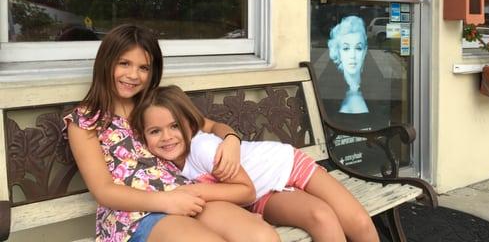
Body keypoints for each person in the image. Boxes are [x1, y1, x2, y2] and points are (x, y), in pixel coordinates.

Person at [64, 24, 278, 242]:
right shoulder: (85, 120)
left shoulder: (153, 105)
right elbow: (104, 191)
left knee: (262, 236)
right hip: (134, 214)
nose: (133, 75)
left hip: (186, 195)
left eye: (144, 68)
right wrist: (166, 201)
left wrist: (232, 140)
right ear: (106, 63)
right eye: (124, 63)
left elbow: (212, 126)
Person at [130, 85, 380, 242]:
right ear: (143, 136)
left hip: (287, 164)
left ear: (190, 124)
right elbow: (247, 195)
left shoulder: (202, 149)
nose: (167, 137)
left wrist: (194, 191)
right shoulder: (162, 164)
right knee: (321, 216)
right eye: (155, 131)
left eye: (174, 126)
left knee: (358, 222)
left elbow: (244, 189)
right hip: (261, 196)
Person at [328, 15, 369, 114]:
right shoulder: (329, 92)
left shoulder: (376, 90)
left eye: (358, 48)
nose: (353, 56)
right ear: (338, 52)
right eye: (346, 48)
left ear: (364, 51)